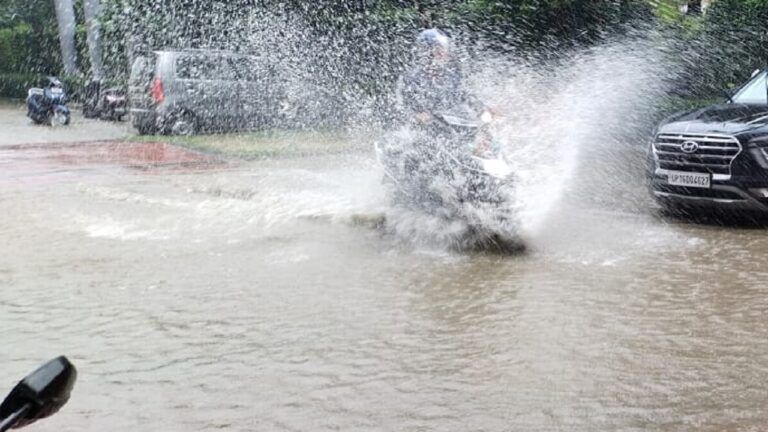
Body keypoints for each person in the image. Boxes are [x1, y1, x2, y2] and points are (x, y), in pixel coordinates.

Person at [398, 28, 483, 125]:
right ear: (426, 51)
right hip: (426, 129)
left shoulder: (452, 76)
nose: (442, 53)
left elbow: (466, 96)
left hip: (455, 125)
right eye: (438, 48)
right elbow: (403, 108)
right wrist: (418, 116)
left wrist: (483, 109)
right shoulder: (411, 78)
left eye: (444, 48)